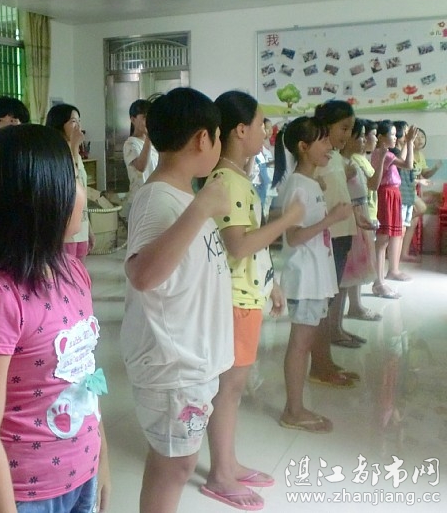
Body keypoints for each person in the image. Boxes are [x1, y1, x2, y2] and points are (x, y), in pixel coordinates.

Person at [0, 123, 110, 512]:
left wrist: (100, 455)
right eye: (72, 179)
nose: (81, 192)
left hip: (79, 475)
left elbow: (83, 376)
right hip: (15, 495)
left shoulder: (73, 272)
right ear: (39, 197)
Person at [121, 88, 233, 513]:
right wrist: (202, 207)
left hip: (189, 359)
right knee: (175, 466)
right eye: (218, 137)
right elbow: (143, 274)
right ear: (203, 138)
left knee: (176, 463)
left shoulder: (180, 195)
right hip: (174, 365)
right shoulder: (159, 198)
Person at [203, 91, 304, 510]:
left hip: (247, 294)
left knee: (234, 387)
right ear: (241, 130)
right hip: (233, 299)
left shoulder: (239, 179)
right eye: (262, 123)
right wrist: (288, 220)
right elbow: (239, 245)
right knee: (229, 389)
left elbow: (251, 246)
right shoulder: (227, 181)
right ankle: (219, 474)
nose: (267, 131)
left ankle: (228, 462)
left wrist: (271, 284)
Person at [273, 116, 353, 434]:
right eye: (323, 141)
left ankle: (295, 407)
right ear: (303, 147)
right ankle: (293, 410)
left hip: (315, 277)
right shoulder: (297, 185)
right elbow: (293, 237)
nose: (329, 146)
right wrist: (331, 218)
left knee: (304, 343)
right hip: (304, 278)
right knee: (300, 344)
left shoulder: (309, 183)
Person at [311, 101, 362, 364]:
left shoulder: (335, 158)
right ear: (326, 126)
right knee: (323, 302)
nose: (347, 134)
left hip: (342, 235)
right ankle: (321, 363)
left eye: (350, 129)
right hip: (328, 238)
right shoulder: (319, 160)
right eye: (343, 128)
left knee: (329, 299)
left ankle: (324, 359)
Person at [370, 120, 416, 298]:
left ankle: (380, 281)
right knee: (382, 241)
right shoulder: (385, 155)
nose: (396, 138)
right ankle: (379, 282)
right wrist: (409, 142)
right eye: (392, 134)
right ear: (381, 137)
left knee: (384, 241)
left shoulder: (384, 154)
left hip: (391, 194)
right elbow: (408, 164)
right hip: (387, 194)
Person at [340, 119, 380, 321]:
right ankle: (349, 311)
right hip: (350, 219)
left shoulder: (353, 161)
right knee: (348, 267)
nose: (364, 140)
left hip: (360, 215)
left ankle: (355, 306)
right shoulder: (341, 164)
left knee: (357, 266)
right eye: (361, 136)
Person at [46, 104, 94, 260]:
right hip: (64, 226)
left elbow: (82, 190)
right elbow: (70, 181)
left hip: (81, 224)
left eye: (79, 121)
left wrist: (89, 227)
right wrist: (74, 146)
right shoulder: (53, 152)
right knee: (65, 269)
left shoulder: (75, 152)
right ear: (60, 124)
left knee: (80, 269)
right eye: (73, 121)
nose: (78, 126)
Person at [401, 127, 441, 261]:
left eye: (423, 137)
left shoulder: (420, 156)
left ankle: (403, 254)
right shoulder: (406, 153)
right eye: (417, 136)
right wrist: (420, 181)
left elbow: (424, 174)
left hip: (413, 190)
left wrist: (435, 168)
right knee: (421, 208)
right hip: (404, 191)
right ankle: (400, 224)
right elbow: (404, 176)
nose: (420, 139)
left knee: (413, 222)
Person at [122, 99, 157, 219]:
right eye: (145, 117)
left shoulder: (155, 143)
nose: (149, 121)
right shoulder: (130, 144)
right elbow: (141, 166)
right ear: (133, 120)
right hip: (139, 201)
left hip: (154, 198)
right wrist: (149, 138)